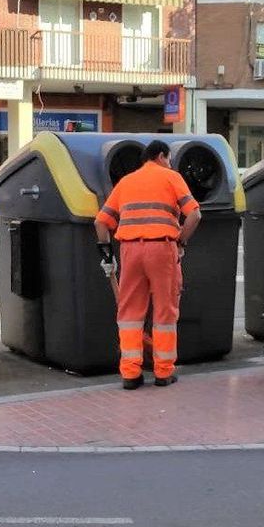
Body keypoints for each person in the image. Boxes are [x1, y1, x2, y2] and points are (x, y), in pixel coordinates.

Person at [93, 140, 202, 389]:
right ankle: (163, 372)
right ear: (161, 155)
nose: (171, 163)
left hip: (130, 250)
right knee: (165, 312)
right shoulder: (170, 177)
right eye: (170, 158)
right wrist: (182, 240)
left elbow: (101, 222)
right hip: (162, 248)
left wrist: (107, 254)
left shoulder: (126, 181)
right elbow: (195, 214)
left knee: (129, 313)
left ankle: (130, 373)